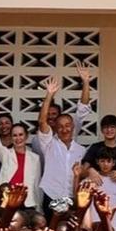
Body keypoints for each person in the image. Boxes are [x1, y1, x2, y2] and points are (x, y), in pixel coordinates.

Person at [36, 74, 88, 216]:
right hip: (52, 194)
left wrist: (86, 82)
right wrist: (49, 95)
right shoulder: (49, 143)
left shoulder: (81, 150)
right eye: (60, 126)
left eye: (68, 126)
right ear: (56, 128)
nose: (64, 129)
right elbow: (42, 121)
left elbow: (82, 109)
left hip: (73, 197)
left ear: (73, 127)